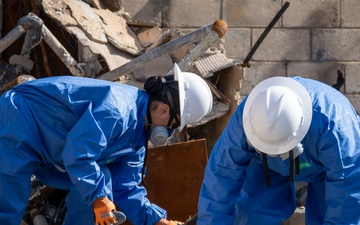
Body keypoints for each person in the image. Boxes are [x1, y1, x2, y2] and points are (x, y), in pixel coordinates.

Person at [0, 63, 213, 225]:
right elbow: (78, 153)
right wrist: (99, 197)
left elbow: (126, 187)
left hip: (50, 142)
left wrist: (155, 220)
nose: (170, 132)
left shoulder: (137, 136)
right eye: (174, 126)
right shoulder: (118, 111)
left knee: (104, 180)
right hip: (21, 117)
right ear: (165, 111)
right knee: (9, 207)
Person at [197, 76, 360, 224]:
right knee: (252, 212)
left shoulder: (336, 127)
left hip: (327, 171)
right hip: (264, 164)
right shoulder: (248, 118)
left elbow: (347, 198)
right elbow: (220, 178)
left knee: (332, 215)